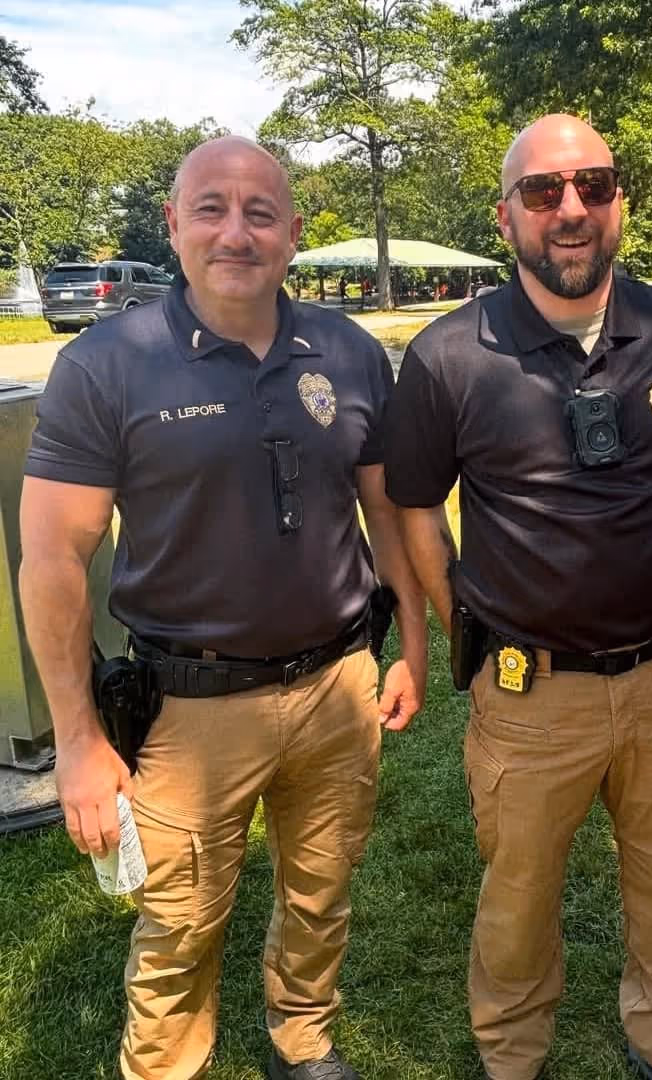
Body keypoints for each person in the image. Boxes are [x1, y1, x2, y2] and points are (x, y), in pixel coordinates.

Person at [19, 136, 428, 1080]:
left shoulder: (351, 352)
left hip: (338, 688)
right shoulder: (107, 363)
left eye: (259, 212)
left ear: (290, 233)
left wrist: (408, 647)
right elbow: (52, 556)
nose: (235, 232)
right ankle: (165, 1066)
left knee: (323, 892)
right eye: (211, 208)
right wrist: (79, 741)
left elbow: (389, 512)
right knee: (180, 920)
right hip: (190, 707)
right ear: (173, 226)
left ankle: (304, 1038)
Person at [384, 114, 652, 1080]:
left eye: (593, 183)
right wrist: (465, 621)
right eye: (544, 192)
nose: (572, 209)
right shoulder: (448, 356)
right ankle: (514, 1059)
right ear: (507, 217)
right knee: (517, 904)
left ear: (619, 198)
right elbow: (415, 505)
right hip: (528, 695)